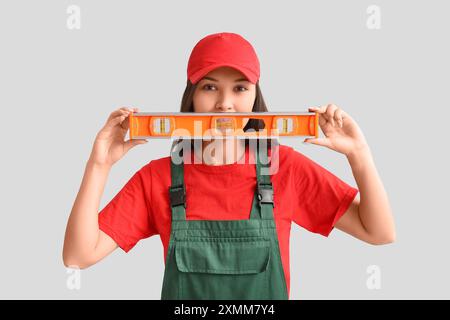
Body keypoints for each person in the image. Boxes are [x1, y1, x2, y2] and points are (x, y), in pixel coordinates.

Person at [62, 32, 396, 299]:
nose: (225, 104)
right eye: (210, 87)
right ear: (192, 96)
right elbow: (78, 256)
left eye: (240, 88)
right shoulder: (158, 177)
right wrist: (99, 164)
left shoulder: (286, 169)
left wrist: (360, 153)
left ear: (255, 97)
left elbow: (379, 232)